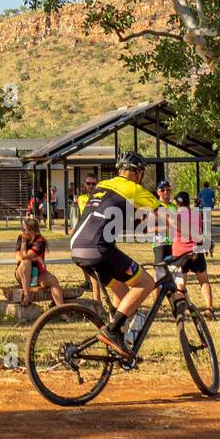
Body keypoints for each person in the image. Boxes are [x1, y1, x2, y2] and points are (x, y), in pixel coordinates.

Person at [69, 149, 164, 359]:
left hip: (77, 247)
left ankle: (121, 345)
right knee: (146, 283)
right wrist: (196, 234)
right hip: (99, 249)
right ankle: (112, 332)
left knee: (123, 294)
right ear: (137, 172)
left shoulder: (102, 185)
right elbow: (165, 214)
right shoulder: (132, 189)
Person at [172, 191, 215, 319]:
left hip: (180, 253)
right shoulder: (196, 215)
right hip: (197, 251)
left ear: (177, 203)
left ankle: (180, 313)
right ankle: (209, 309)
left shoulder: (175, 216)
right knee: (204, 281)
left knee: (180, 285)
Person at [15, 216, 64, 307]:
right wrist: (36, 258)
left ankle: (62, 311)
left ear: (31, 231)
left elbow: (25, 256)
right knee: (26, 263)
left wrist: (24, 244)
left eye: (24, 229)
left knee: (53, 280)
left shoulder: (40, 241)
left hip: (37, 274)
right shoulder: (21, 238)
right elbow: (19, 258)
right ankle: (27, 296)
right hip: (22, 274)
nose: (22, 231)